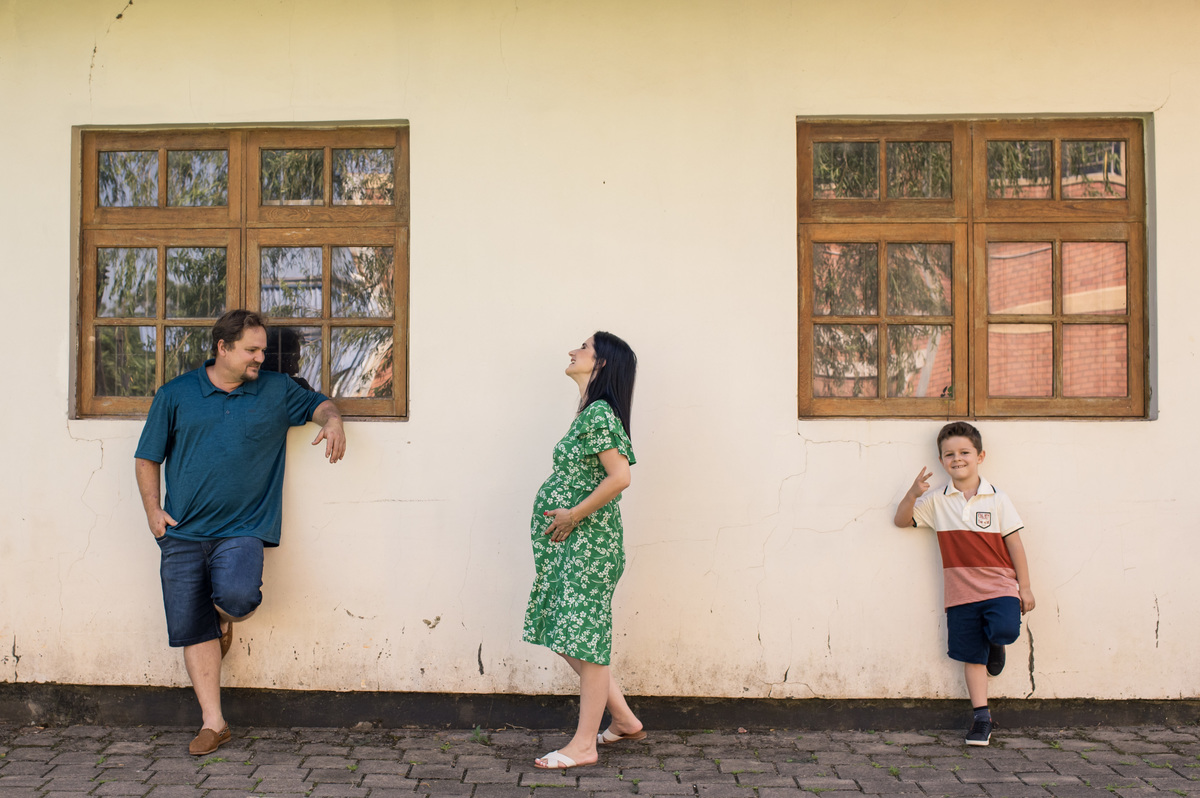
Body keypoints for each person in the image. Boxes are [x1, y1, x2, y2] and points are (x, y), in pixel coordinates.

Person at [134, 309, 346, 756]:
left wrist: (333, 420)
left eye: (263, 349)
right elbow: (147, 457)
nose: (260, 357)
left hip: (243, 528)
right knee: (193, 628)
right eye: (251, 349)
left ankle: (223, 620)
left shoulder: (274, 390)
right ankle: (214, 723)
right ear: (223, 348)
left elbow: (319, 403)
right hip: (183, 531)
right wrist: (154, 511)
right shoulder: (176, 395)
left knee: (239, 597)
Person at [522, 332, 645, 769]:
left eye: (584, 347)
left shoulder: (599, 414)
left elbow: (620, 477)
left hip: (589, 545)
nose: (573, 351)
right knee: (569, 632)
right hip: (577, 545)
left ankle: (583, 745)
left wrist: (573, 514)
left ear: (602, 364)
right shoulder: (591, 413)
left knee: (585, 639)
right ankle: (625, 720)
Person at [893, 421, 1035, 747]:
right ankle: (981, 719)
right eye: (949, 454)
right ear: (942, 460)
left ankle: (995, 642)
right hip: (961, 594)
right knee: (973, 657)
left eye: (964, 452)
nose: (957, 459)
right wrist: (912, 494)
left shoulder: (997, 498)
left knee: (1004, 630)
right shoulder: (936, 501)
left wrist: (1024, 587)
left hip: (1000, 587)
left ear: (980, 456)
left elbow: (1015, 544)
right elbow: (901, 521)